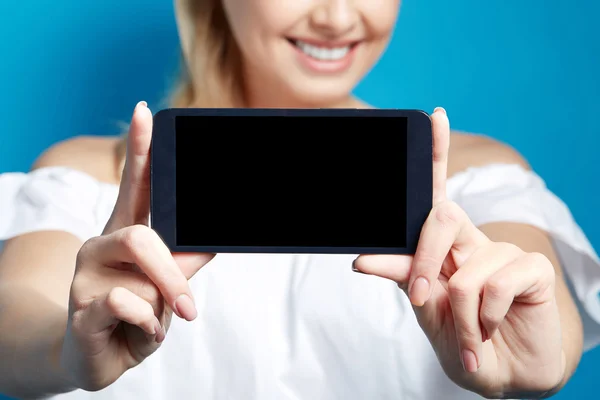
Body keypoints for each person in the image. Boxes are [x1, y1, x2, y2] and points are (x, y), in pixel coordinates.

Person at [0, 0, 599, 399]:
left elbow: (536, 300)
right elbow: (15, 322)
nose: (338, 17)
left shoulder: (477, 176)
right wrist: (66, 348)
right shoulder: (85, 177)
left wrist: (542, 355)